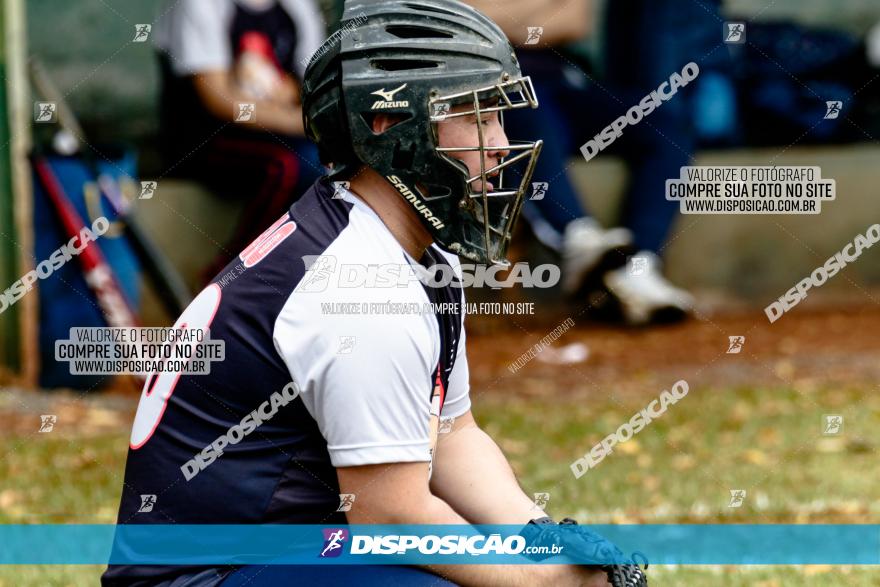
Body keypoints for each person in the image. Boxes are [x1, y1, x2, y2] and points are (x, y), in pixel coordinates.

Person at [104, 1, 648, 585]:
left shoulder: (400, 247)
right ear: (389, 124)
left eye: (499, 117)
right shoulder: (359, 286)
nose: (500, 145)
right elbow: (389, 514)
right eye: (475, 116)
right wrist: (543, 583)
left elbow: (451, 437)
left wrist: (542, 540)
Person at [467, 0, 724, 325]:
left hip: (561, 85)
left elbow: (574, 20)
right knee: (520, 103)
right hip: (497, 88)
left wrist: (495, 18)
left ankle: (636, 268)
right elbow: (458, 24)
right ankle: (580, 242)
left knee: (664, 122)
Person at [153, 0, 327, 281]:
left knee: (325, 164)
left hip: (279, 134)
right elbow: (219, 99)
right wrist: (303, 122)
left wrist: (291, 103)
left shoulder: (297, 6)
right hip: (203, 140)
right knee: (291, 165)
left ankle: (288, 278)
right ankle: (229, 275)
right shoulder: (201, 5)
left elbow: (311, 81)